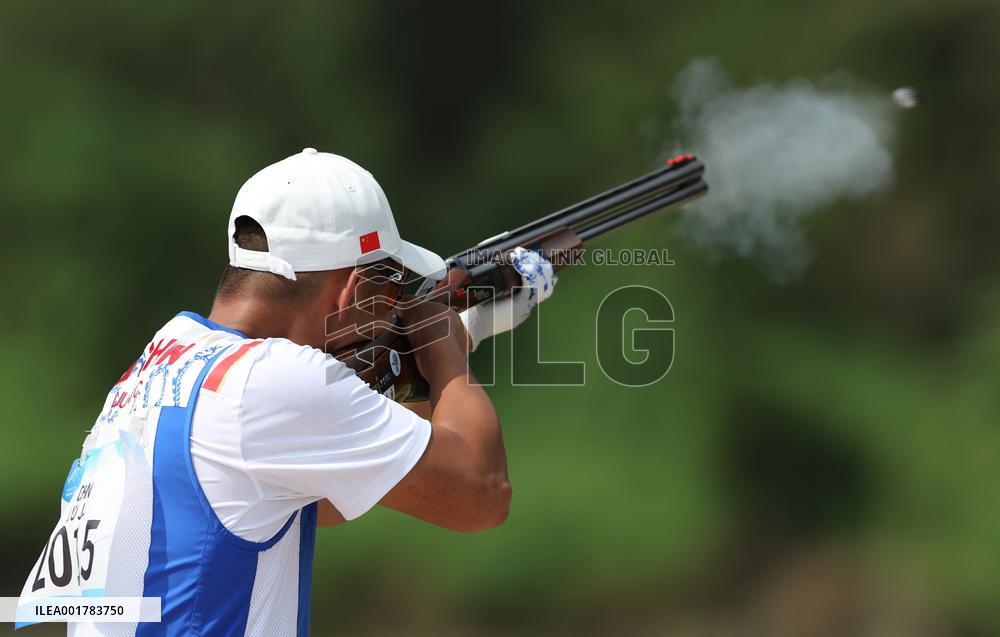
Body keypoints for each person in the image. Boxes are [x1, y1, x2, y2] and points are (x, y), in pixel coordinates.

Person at [18, 148, 556, 636]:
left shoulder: (166, 359)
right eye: (390, 290)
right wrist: (448, 351)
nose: (394, 307)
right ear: (352, 288)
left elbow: (356, 487)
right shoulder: (271, 380)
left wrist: (454, 340)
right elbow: (481, 495)